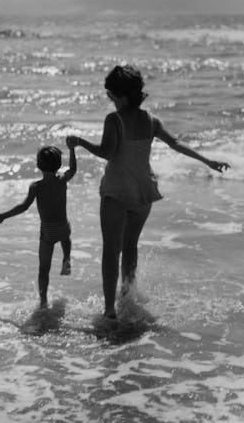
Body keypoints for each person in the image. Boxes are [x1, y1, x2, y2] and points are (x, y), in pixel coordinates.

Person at [72, 64, 230, 319]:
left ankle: (109, 310)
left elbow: (107, 152)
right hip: (143, 192)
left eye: (110, 93)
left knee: (111, 252)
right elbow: (176, 143)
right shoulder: (150, 120)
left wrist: (79, 142)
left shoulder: (114, 120)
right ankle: (127, 296)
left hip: (117, 191)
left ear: (120, 94)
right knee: (131, 246)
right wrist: (207, 161)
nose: (109, 98)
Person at [0, 137, 78, 308]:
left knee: (43, 269)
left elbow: (23, 207)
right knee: (66, 237)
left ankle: (43, 301)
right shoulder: (62, 180)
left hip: (48, 231)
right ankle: (66, 258)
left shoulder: (36, 187)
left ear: (38, 165)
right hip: (63, 227)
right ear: (59, 164)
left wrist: (3, 216)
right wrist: (72, 149)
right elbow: (74, 169)